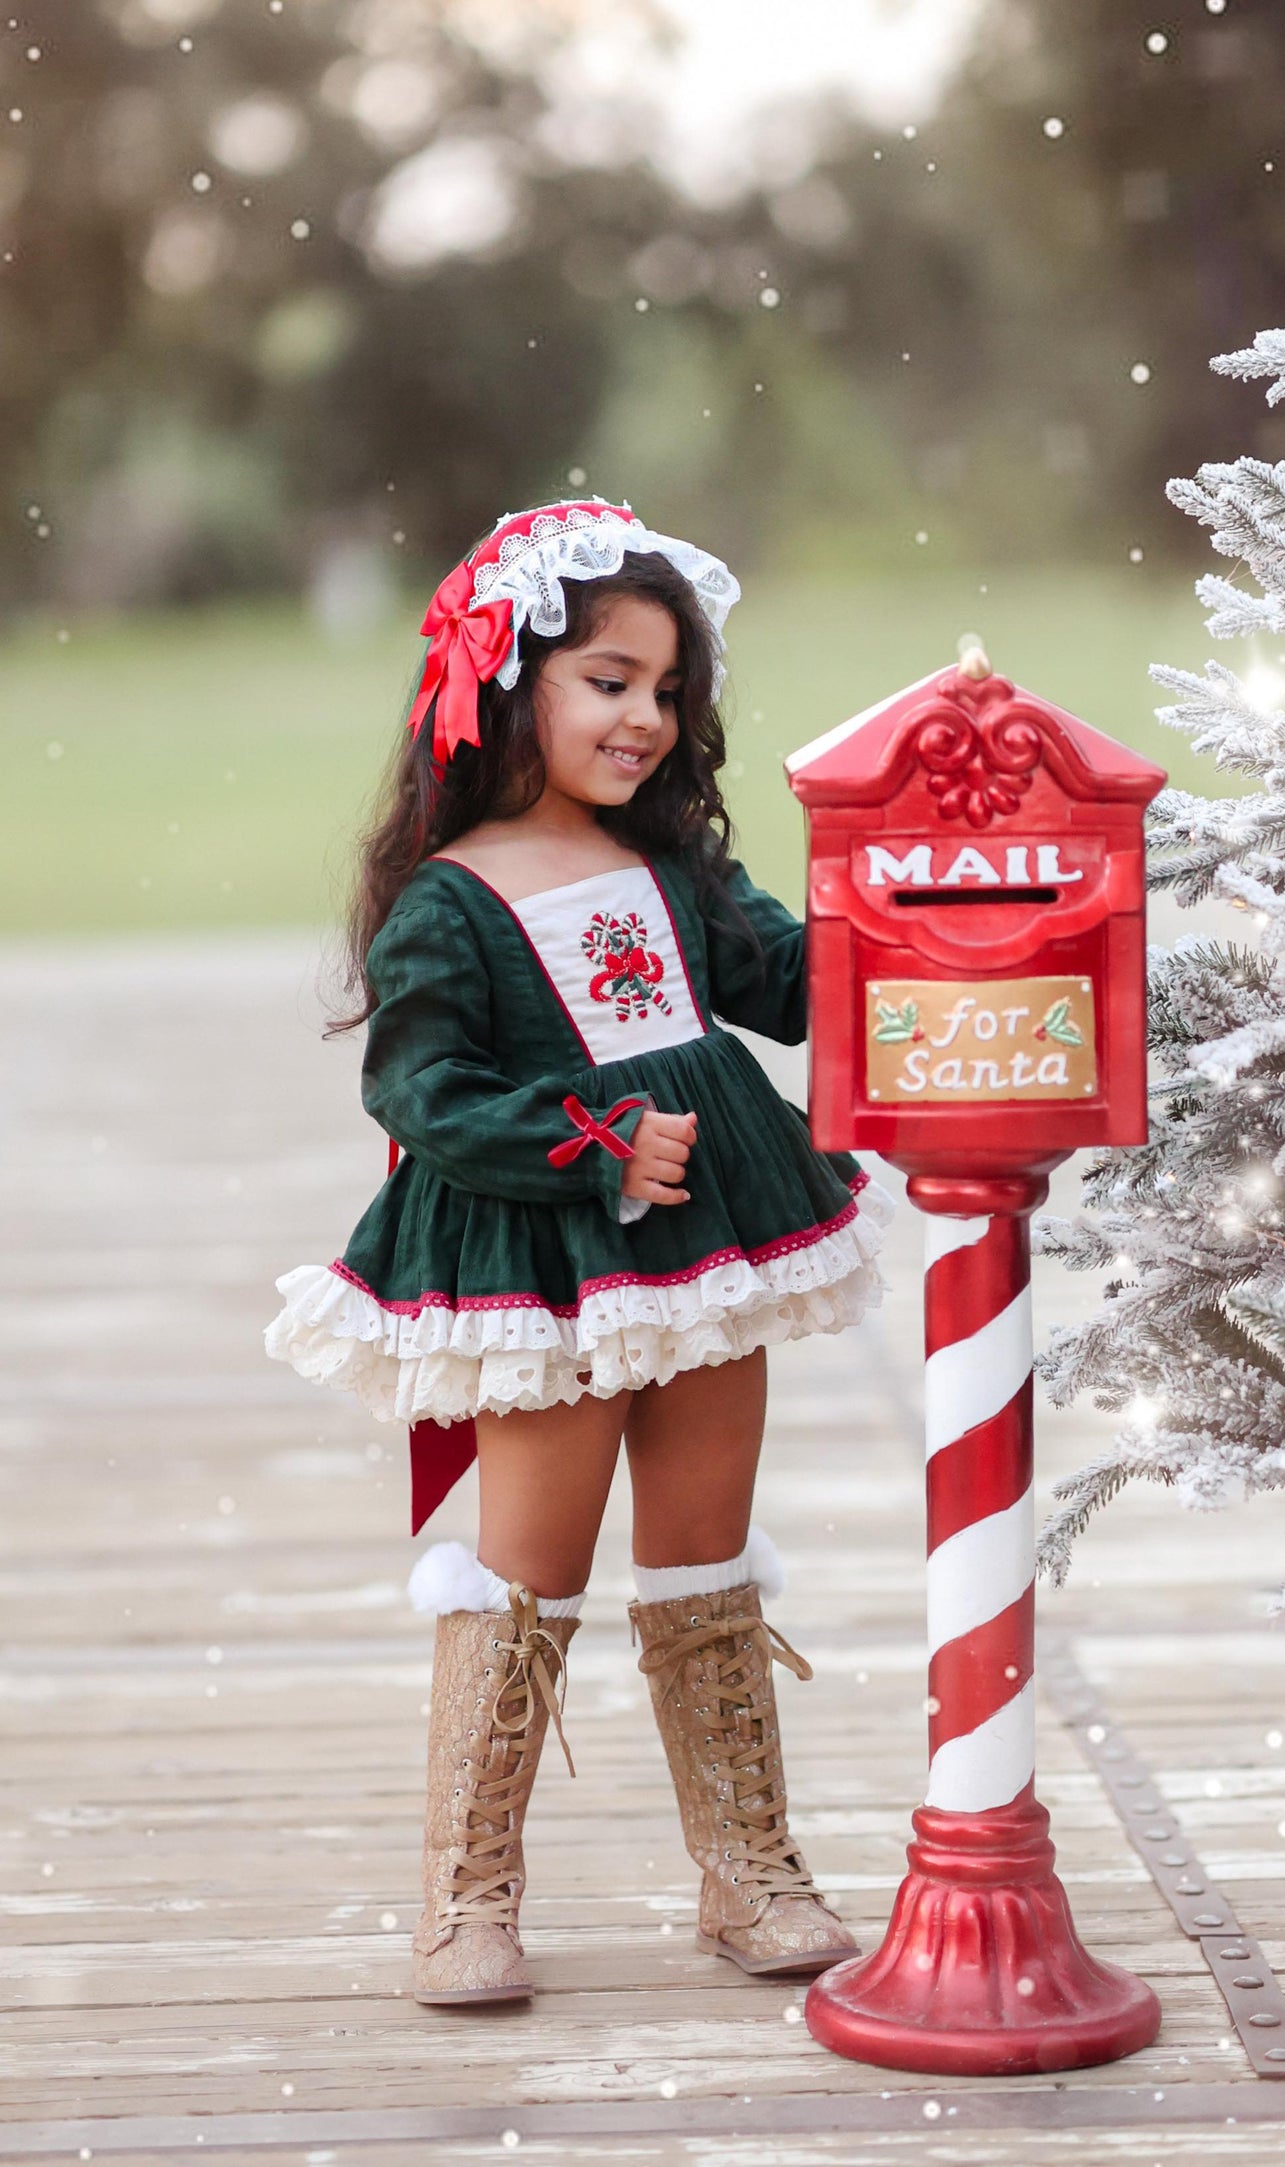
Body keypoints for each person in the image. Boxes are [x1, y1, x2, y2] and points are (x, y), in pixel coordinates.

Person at [264, 498, 895, 2006]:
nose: (645, 720)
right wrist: (590, 1140)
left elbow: (793, 985)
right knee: (525, 1575)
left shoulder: (674, 870)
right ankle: (466, 1895)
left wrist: (900, 887)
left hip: (713, 1246)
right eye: (609, 680)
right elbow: (420, 1090)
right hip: (547, 1266)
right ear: (509, 685)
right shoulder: (452, 899)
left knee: (705, 1555)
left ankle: (746, 1870)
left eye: (668, 690)